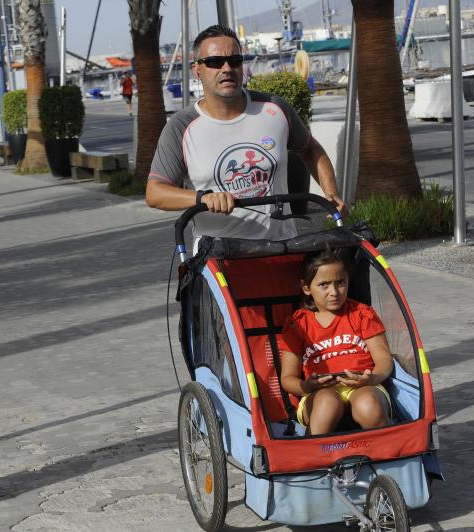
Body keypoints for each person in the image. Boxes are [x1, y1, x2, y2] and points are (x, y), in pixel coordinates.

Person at [145, 24, 344, 245]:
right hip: (220, 256)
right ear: (197, 70)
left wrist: (331, 193)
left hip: (283, 248)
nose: (226, 68)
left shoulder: (274, 108)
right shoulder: (181, 126)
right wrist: (203, 198)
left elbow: (309, 148)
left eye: (235, 60)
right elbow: (155, 193)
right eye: (214, 62)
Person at [279, 247, 394, 435]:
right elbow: (287, 379)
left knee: (369, 405)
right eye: (324, 285)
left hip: (363, 386)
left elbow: (384, 360)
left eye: (340, 282)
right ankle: (315, 458)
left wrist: (371, 378)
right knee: (327, 403)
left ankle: (389, 455)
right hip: (318, 393)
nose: (334, 292)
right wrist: (307, 386)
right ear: (306, 288)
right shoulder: (298, 325)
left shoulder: (361, 314)